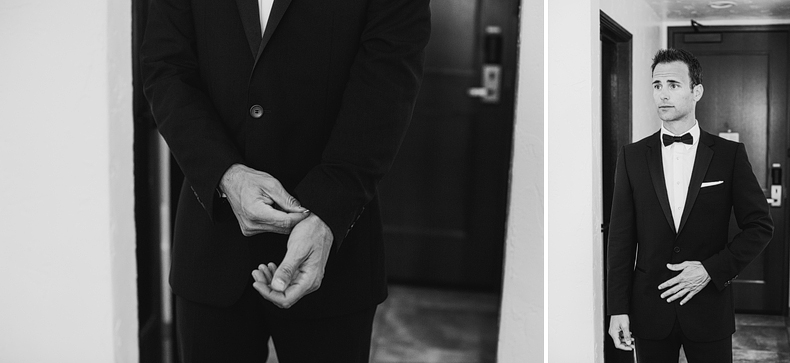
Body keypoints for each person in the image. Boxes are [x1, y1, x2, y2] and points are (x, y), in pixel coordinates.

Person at [141, 0, 430, 362]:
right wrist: (225, 174)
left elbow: (387, 85)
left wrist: (326, 211)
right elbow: (165, 68)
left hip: (335, 251)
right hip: (212, 249)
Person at [606, 48, 773, 363]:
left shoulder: (729, 155)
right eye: (657, 85)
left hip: (709, 309)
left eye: (673, 84)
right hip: (650, 311)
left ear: (697, 91)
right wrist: (617, 309)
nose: (663, 94)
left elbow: (760, 227)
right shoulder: (632, 157)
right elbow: (620, 240)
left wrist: (710, 270)